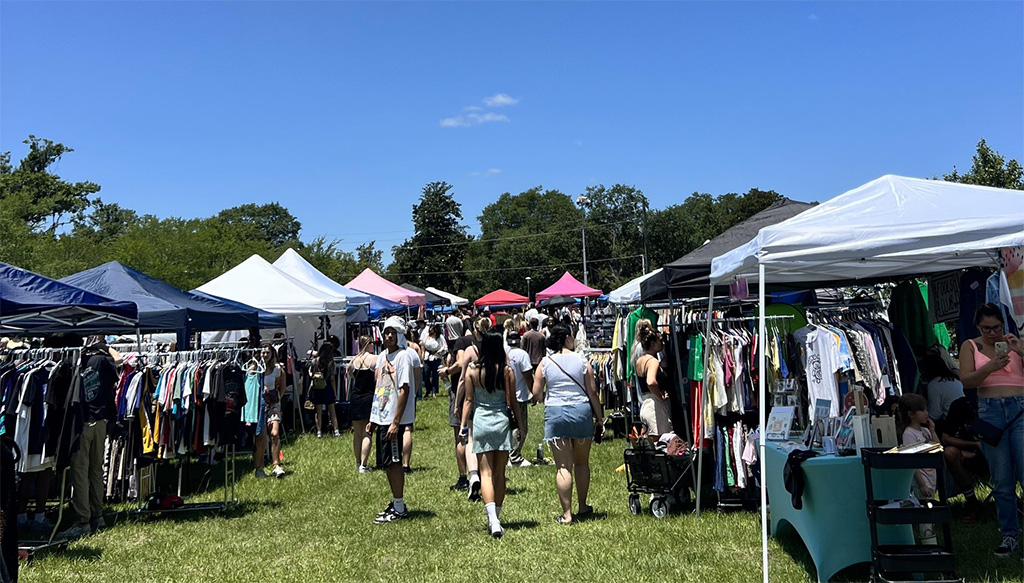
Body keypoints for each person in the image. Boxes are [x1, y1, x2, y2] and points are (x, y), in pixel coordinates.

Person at [958, 303, 1024, 557]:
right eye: (986, 329)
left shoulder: (1014, 342)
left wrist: (1020, 350)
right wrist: (990, 367)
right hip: (991, 410)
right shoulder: (970, 346)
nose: (993, 333)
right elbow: (966, 381)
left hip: (1019, 407)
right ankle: (1009, 535)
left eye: (997, 327)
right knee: (1002, 478)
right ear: (978, 327)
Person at [531, 324, 605, 525]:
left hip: (556, 413)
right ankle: (582, 505)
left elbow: (536, 394)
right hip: (581, 411)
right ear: (566, 339)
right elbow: (592, 392)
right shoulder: (582, 360)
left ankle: (567, 514)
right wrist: (599, 419)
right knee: (582, 463)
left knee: (563, 466)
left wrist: (550, 394)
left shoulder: (545, 363)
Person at [460, 332, 525, 538]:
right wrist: (521, 427)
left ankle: (493, 520)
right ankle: (496, 517)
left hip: (481, 422)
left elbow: (469, 400)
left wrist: (463, 425)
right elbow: (513, 401)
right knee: (499, 474)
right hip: (501, 423)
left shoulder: (472, 371)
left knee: (485, 473)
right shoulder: (506, 371)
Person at [58, 337, 120, 539]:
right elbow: (118, 361)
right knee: (95, 469)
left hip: (82, 423)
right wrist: (107, 348)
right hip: (100, 421)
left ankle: (83, 520)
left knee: (80, 471)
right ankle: (97, 515)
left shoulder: (74, 360)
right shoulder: (102, 360)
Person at [369, 316, 414, 523]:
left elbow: (404, 389)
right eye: (386, 332)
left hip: (394, 419)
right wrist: (374, 417)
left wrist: (396, 421)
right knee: (387, 463)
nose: (388, 336)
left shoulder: (403, 357)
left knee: (395, 463)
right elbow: (379, 387)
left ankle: (399, 506)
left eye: (392, 333)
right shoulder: (383, 356)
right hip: (382, 416)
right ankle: (397, 502)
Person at [452, 318, 493, 501]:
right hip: (493, 400)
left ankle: (474, 474)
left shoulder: (471, 350)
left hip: (473, 399)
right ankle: (488, 475)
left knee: (470, 438)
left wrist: (456, 403)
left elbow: (462, 379)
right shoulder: (496, 349)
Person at [897, 393, 939, 544]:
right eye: (922, 410)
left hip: (931, 475)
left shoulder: (925, 431)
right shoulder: (909, 434)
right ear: (911, 414)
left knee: (930, 506)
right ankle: (928, 540)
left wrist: (933, 430)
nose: (926, 413)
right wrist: (921, 483)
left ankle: (930, 536)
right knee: (924, 509)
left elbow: (937, 448)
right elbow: (912, 461)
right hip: (922, 477)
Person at [441, 323, 476, 492]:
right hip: (480, 393)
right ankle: (478, 473)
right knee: (475, 436)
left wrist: (447, 371)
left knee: (461, 435)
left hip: (461, 393)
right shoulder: (482, 341)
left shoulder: (461, 342)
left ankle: (464, 478)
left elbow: (462, 363)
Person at [634, 320, 673, 439]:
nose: (662, 342)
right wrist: (660, 396)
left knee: (651, 442)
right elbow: (651, 381)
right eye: (659, 341)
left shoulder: (640, 360)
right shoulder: (653, 362)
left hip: (645, 403)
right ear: (652, 344)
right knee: (660, 442)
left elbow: (665, 364)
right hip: (655, 405)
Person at [253, 344, 287, 479]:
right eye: (263, 353)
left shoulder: (278, 369)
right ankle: (259, 467)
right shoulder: (255, 368)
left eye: (267, 352)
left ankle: (276, 464)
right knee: (260, 436)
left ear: (272, 354)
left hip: (273, 404)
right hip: (259, 404)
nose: (265, 355)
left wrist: (276, 397)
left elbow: (282, 386)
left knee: (274, 433)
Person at [505, 331, 535, 467]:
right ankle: (515, 456)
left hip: (505, 396)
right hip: (519, 396)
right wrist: (533, 391)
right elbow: (528, 376)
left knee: (508, 426)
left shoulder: (504, 352)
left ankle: (507, 454)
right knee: (520, 426)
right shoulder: (522, 355)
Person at [348, 336, 376, 473]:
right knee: (367, 432)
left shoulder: (354, 360)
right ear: (368, 344)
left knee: (357, 434)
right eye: (372, 343)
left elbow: (349, 373)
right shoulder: (373, 359)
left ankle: (358, 462)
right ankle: (363, 465)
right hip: (368, 397)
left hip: (355, 397)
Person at [402, 326, 424, 473]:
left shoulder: (388, 354)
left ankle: (394, 460)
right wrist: (415, 394)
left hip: (393, 395)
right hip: (409, 394)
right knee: (407, 427)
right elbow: (417, 377)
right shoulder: (412, 352)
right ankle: (405, 463)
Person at [309, 344, 340, 438]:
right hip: (327, 388)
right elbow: (332, 379)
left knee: (318, 412)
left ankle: (319, 432)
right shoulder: (331, 363)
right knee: (332, 410)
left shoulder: (314, 361)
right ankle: (336, 430)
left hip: (317, 388)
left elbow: (310, 373)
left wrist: (311, 374)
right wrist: (335, 392)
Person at [422, 324, 447, 398]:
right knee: (426, 374)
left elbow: (445, 346)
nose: (430, 330)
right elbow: (423, 345)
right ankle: (428, 389)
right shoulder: (426, 336)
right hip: (427, 356)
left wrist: (441, 350)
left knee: (435, 376)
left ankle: (434, 392)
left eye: (432, 329)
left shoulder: (440, 337)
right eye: (430, 328)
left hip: (436, 357)